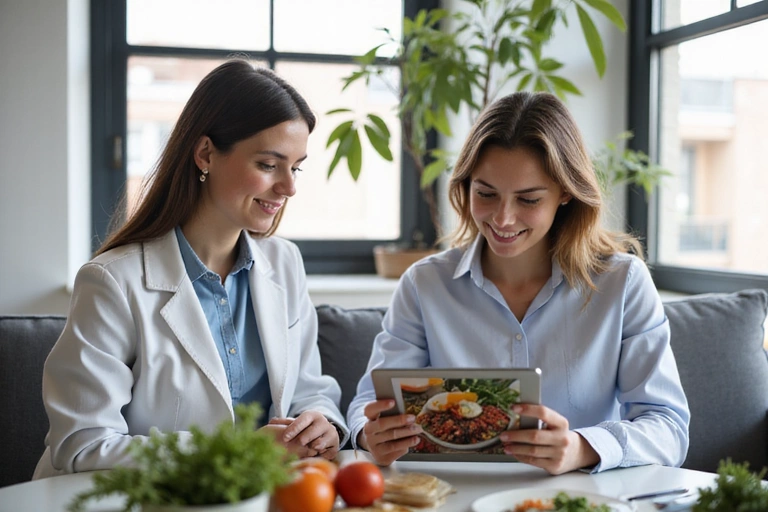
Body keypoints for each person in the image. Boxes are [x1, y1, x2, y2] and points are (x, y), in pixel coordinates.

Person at [33, 59, 348, 479]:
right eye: (268, 165)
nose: (289, 187)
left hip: (252, 494)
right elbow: (83, 443)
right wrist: (235, 451)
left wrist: (323, 424)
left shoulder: (284, 263)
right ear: (205, 154)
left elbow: (308, 388)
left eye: (296, 167)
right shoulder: (113, 281)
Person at [346, 91, 690, 475]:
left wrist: (581, 448)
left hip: (580, 496)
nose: (503, 218)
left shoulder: (623, 282)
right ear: (466, 186)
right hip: (456, 494)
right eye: (486, 194)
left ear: (565, 192)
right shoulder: (424, 284)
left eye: (528, 200)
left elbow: (668, 427)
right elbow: (366, 406)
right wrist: (369, 435)